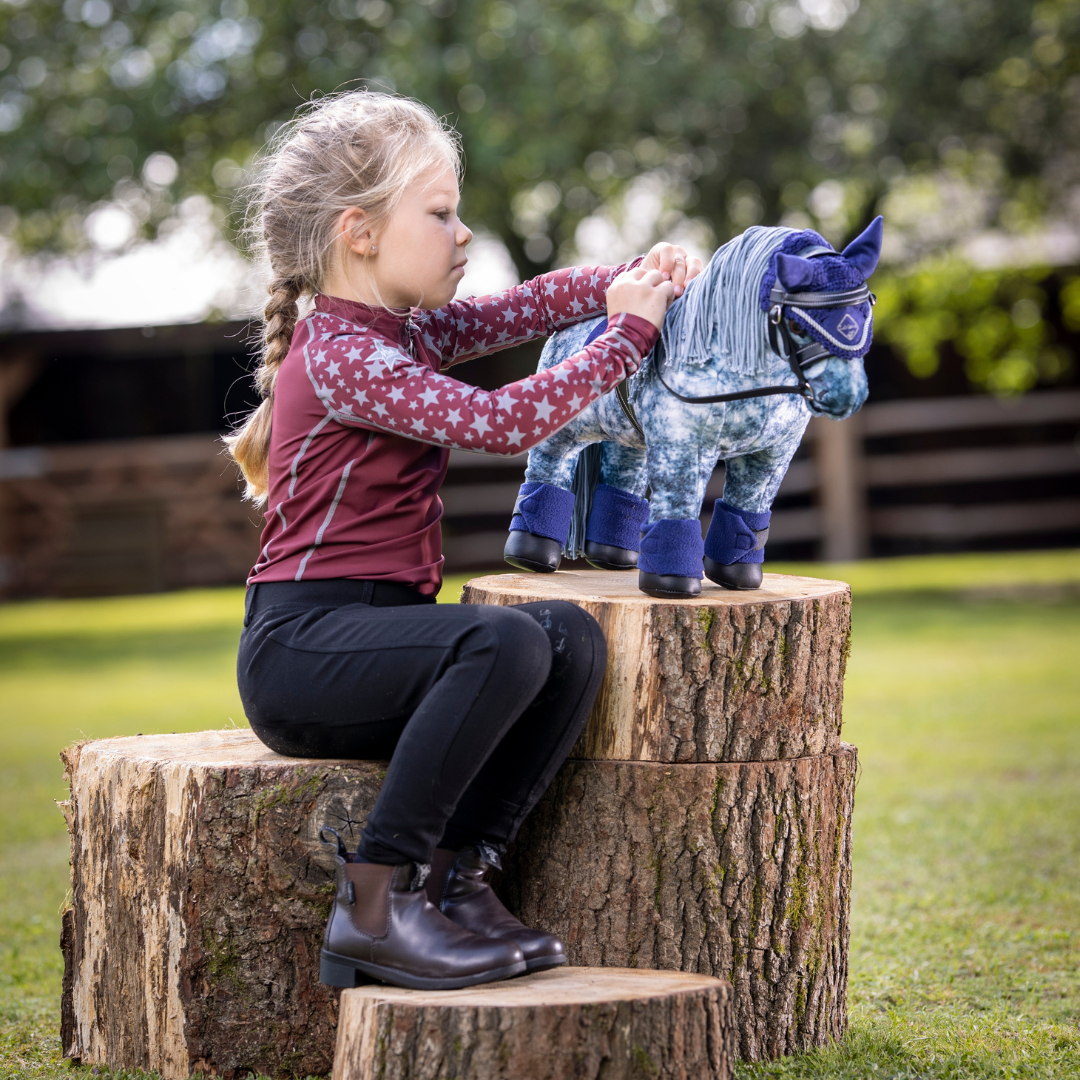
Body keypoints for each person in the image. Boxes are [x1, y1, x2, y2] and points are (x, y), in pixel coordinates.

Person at [225, 90, 701, 992]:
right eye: (440, 213)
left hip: (372, 638)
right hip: (302, 650)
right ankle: (374, 907)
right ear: (358, 231)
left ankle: (455, 877)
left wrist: (631, 278)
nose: (464, 233)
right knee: (507, 637)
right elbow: (498, 420)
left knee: (569, 638)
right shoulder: (339, 352)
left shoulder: (399, 335)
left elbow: (520, 309)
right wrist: (627, 334)